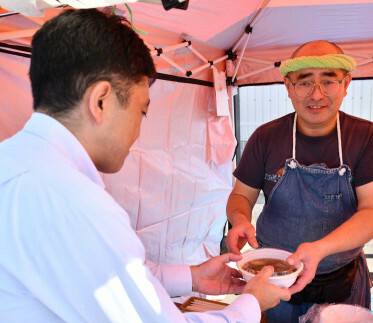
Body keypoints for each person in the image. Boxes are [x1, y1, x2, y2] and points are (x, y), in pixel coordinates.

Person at [0, 8, 292, 322]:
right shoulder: (75, 201)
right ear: (100, 101)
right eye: (141, 112)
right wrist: (250, 303)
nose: (137, 133)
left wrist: (192, 276)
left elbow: (113, 271)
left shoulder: (16, 160)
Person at [226, 40, 373, 322]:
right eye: (304, 84)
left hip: (342, 283)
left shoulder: (369, 138)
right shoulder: (265, 137)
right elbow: (241, 195)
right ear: (289, 88)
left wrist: (320, 249)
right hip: (274, 282)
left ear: (346, 84)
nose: (316, 95)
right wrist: (240, 219)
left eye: (328, 82)